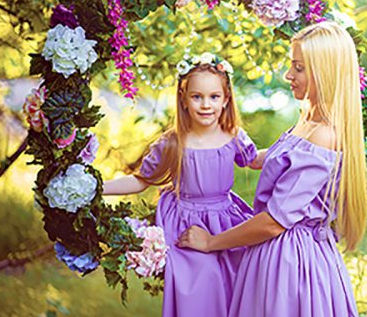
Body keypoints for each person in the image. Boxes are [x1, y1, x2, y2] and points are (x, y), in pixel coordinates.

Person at [177, 22, 367, 316]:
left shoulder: (324, 135)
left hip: (291, 263)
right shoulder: (307, 122)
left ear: (325, 72)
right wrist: (217, 129)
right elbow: (264, 159)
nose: (288, 75)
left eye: (299, 68)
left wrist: (211, 242)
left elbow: (274, 221)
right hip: (272, 252)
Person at [103, 53, 258, 317]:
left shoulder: (233, 136)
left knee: (242, 276)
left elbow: (255, 160)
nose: (206, 105)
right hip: (186, 222)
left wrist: (292, 155)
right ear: (183, 100)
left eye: (214, 97)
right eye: (197, 97)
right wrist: (99, 187)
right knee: (202, 282)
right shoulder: (172, 142)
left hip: (225, 219)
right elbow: (142, 180)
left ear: (226, 99)